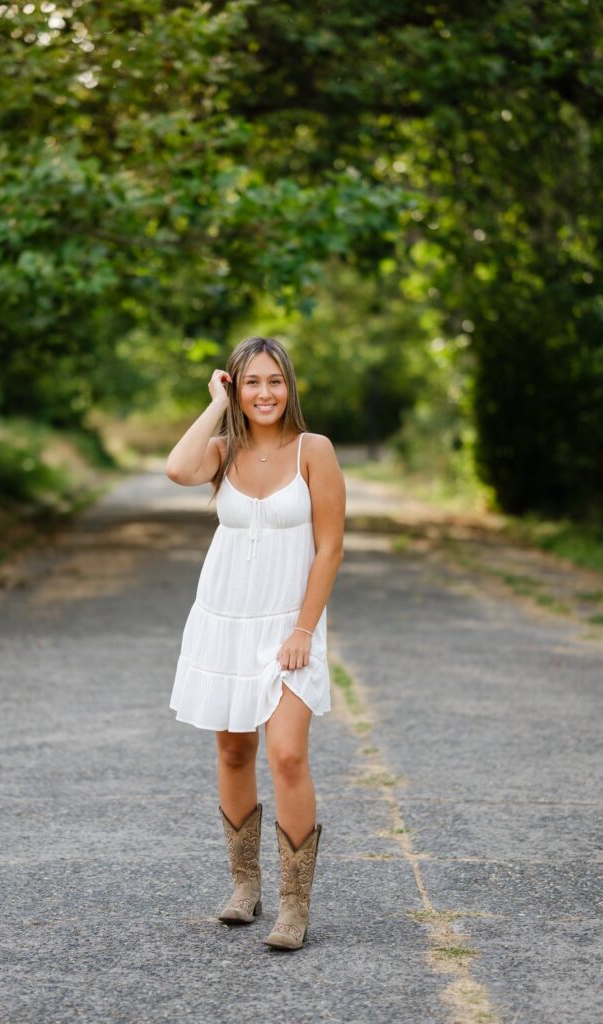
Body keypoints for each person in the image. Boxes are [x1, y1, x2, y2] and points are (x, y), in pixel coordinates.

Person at [165, 335, 346, 950]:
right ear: (235, 389)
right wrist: (215, 404)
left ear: (289, 386)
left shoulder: (313, 452)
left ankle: (294, 908)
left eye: (274, 381)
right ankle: (245, 886)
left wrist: (303, 629)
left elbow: (330, 547)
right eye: (250, 382)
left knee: (288, 754)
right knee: (235, 752)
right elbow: (177, 469)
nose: (264, 393)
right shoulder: (223, 449)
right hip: (224, 619)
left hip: (288, 625)